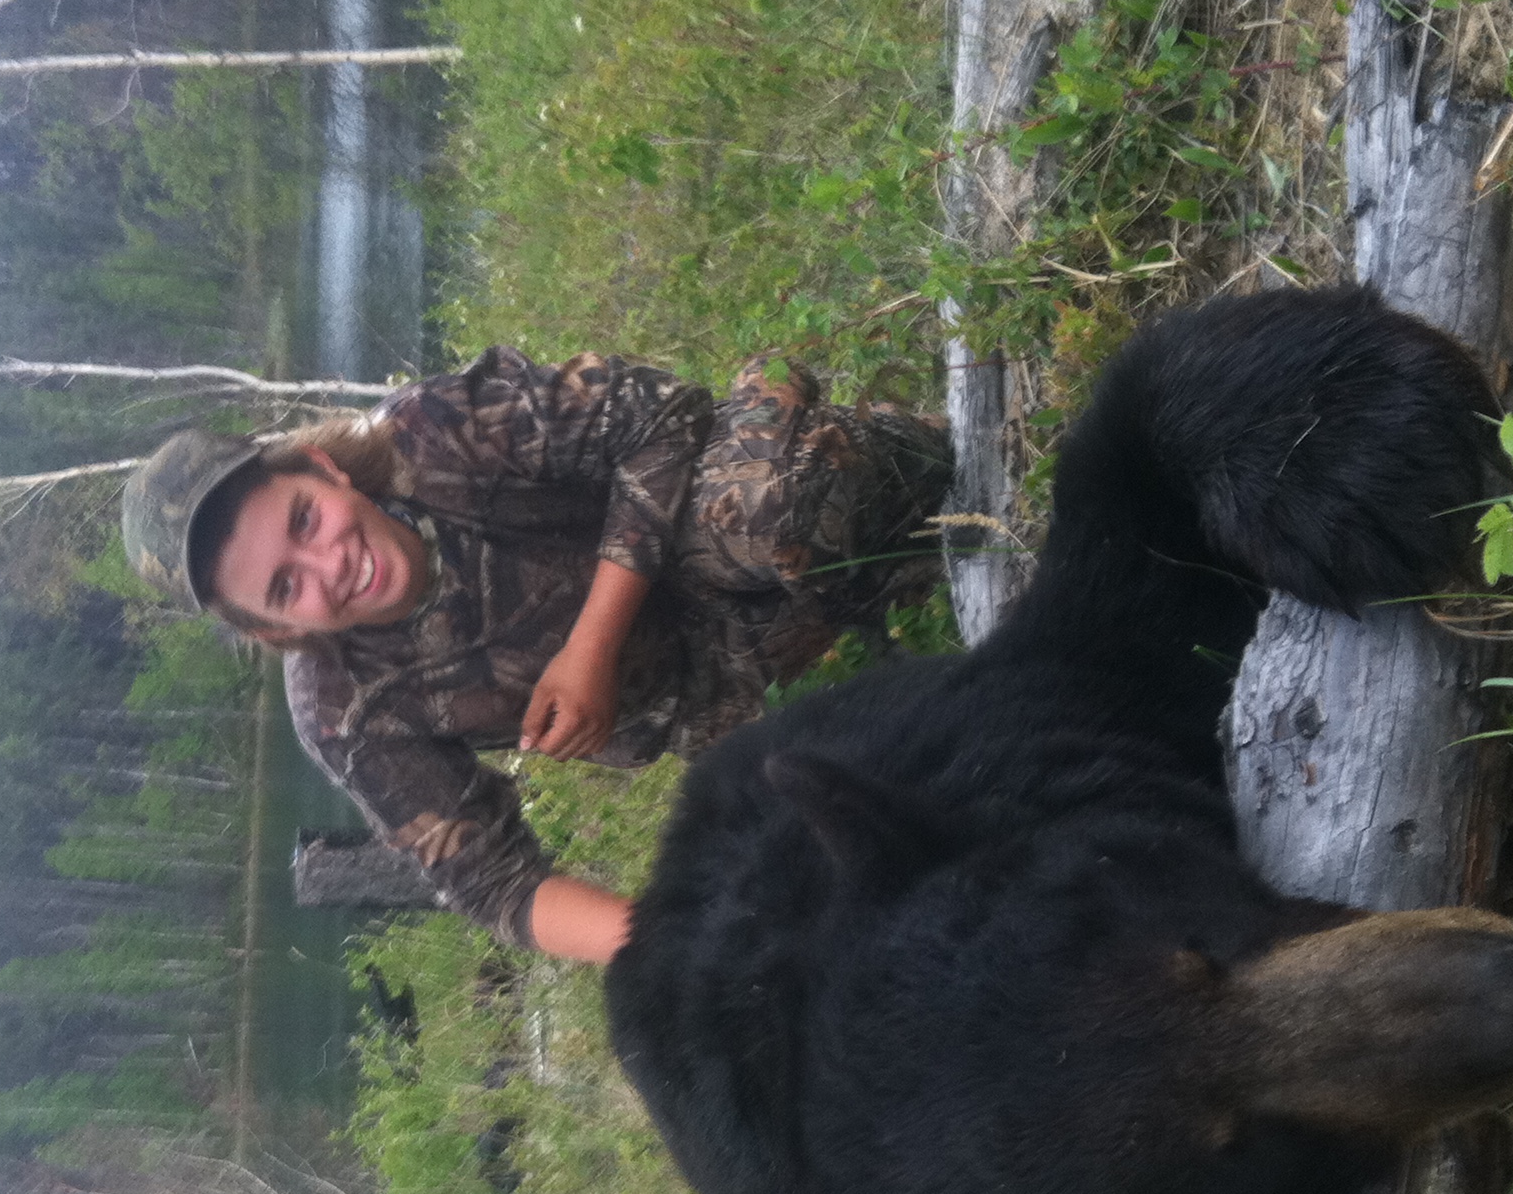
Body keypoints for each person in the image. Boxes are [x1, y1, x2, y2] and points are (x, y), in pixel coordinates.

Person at [121, 346, 952, 963]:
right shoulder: (346, 711)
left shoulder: (433, 429)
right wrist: (684, 946)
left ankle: (930, 467)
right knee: (825, 820)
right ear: (273, 631)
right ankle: (895, 585)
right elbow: (497, 885)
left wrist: (590, 642)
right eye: (284, 588)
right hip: (719, 683)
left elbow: (660, 412)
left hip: (713, 518)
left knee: (767, 503)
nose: (328, 565)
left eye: (303, 521)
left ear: (322, 470)